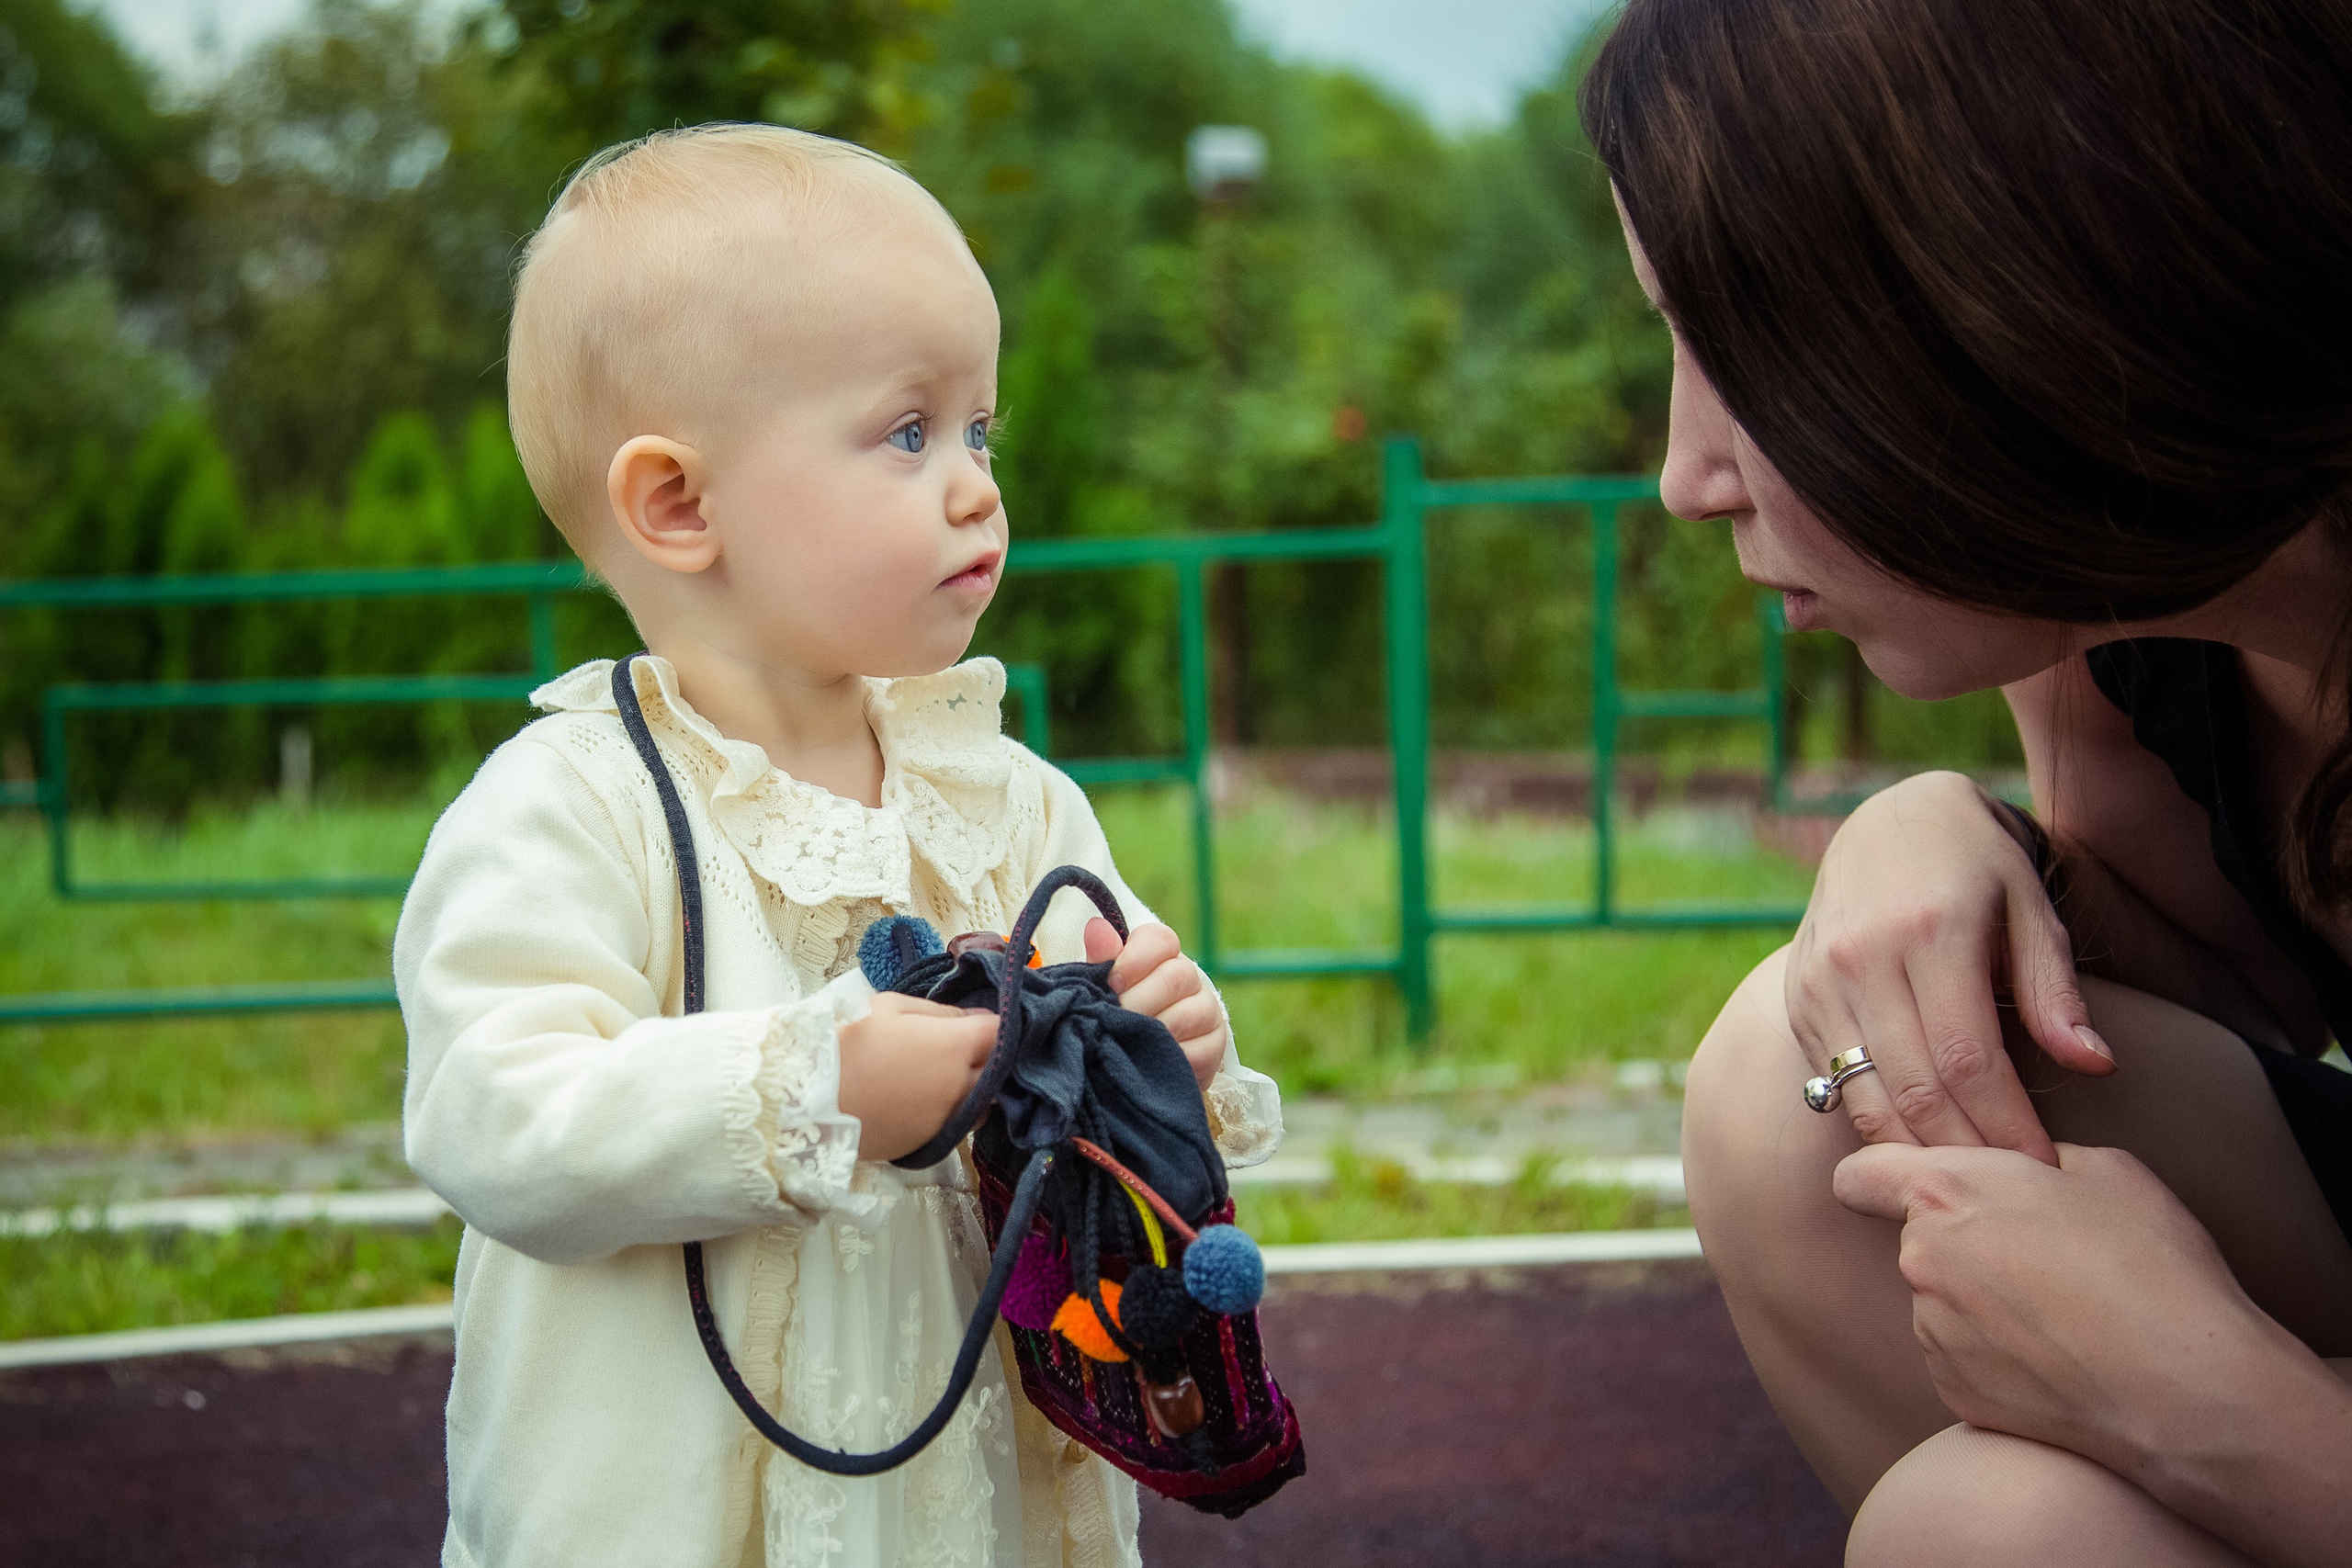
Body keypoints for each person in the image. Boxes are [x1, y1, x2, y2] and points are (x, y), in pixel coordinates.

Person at [392, 125, 1283, 1568]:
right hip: (686, 1520)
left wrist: (1168, 1037)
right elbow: (496, 1115)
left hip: (969, 1505)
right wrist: (809, 1085)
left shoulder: (1010, 799)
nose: (977, 485)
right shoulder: (572, 803)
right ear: (681, 506)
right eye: (908, 432)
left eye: (981, 431)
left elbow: (1109, 1053)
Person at [1578, 1, 2352, 1562]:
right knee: (1807, 1086)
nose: (1685, 475)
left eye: (1740, 345)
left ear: (2021, 285)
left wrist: (2215, 1409)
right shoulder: (2121, 606)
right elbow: (2228, 984)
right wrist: (1948, 833)